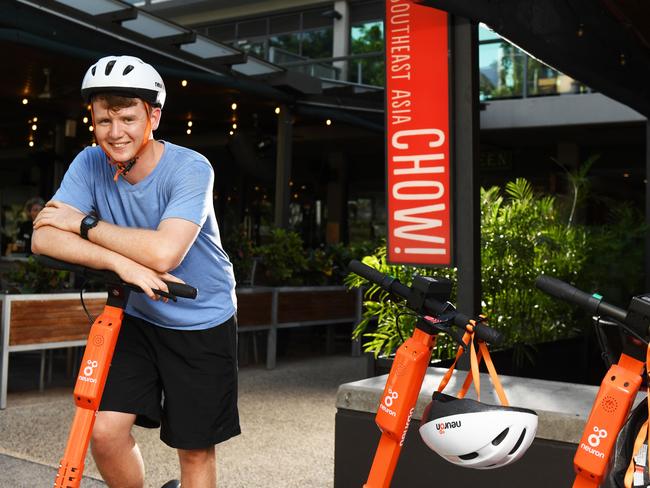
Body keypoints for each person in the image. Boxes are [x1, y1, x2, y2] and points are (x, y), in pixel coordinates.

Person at [32, 55, 239, 488]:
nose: (115, 132)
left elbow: (164, 253)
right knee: (104, 432)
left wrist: (85, 224)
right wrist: (123, 264)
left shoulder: (191, 168)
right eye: (104, 120)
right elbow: (44, 237)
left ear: (154, 116)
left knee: (195, 449)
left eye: (127, 117)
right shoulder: (90, 162)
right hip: (139, 314)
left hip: (201, 318)